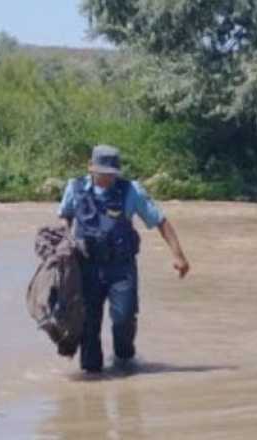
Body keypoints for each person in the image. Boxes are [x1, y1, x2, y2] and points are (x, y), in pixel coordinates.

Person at [58, 145, 190, 373]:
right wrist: (65, 241)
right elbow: (65, 217)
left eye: (112, 174)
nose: (108, 178)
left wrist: (179, 256)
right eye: (103, 173)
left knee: (124, 318)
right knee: (88, 325)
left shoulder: (131, 190)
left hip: (121, 268)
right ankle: (92, 376)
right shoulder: (74, 187)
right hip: (86, 267)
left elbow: (160, 221)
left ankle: (124, 360)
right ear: (91, 168)